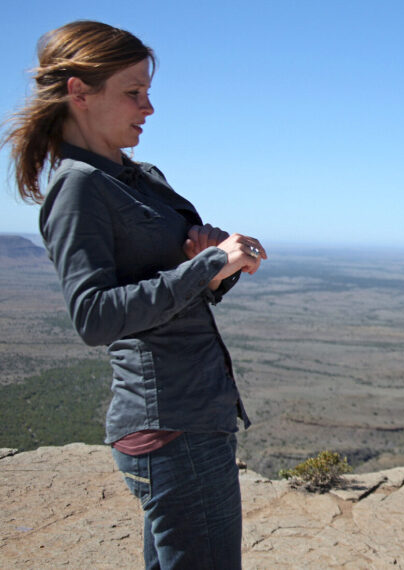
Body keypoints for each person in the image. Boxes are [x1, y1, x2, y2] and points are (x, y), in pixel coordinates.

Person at [1, 20, 267, 569]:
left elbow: (180, 285)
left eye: (147, 92)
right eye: (133, 93)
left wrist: (211, 260)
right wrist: (210, 266)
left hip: (195, 414)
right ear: (79, 92)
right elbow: (94, 316)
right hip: (171, 425)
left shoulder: (138, 177)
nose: (148, 109)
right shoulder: (79, 187)